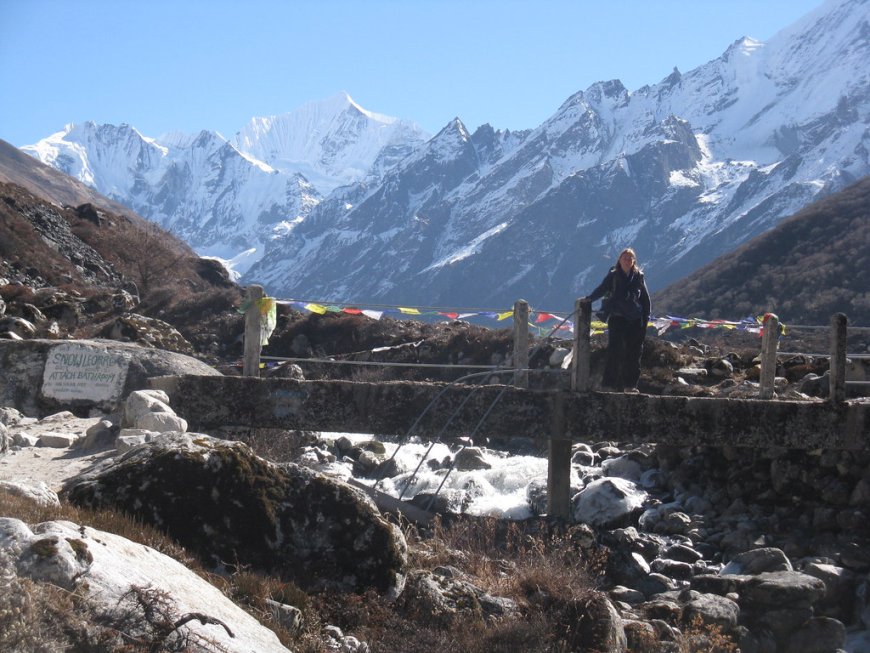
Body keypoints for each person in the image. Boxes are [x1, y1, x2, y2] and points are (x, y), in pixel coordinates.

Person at [584, 247, 651, 392]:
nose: (627, 261)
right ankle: (608, 385)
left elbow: (645, 299)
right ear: (619, 260)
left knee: (634, 354)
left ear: (634, 261)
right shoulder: (613, 276)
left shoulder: (639, 276)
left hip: (635, 320)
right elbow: (602, 289)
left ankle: (630, 385)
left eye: (630, 258)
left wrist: (645, 318)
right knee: (615, 351)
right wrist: (589, 299)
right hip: (617, 318)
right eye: (625, 258)